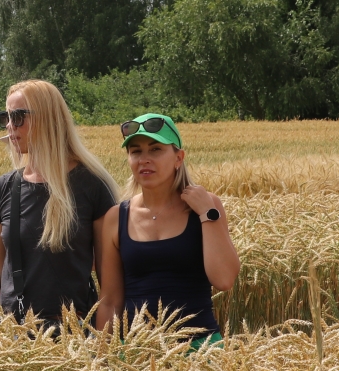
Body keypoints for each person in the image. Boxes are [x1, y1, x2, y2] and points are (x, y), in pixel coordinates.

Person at [0, 79, 119, 330]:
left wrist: (103, 342)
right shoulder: (5, 187)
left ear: (48, 119)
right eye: (6, 117)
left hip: (72, 332)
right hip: (11, 330)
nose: (9, 126)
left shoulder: (92, 186)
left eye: (18, 117)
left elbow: (110, 286)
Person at [95, 113, 239, 347]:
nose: (144, 159)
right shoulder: (116, 217)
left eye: (156, 150)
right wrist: (102, 357)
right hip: (135, 354)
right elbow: (110, 300)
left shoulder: (206, 206)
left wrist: (207, 213)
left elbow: (224, 280)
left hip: (200, 350)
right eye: (136, 152)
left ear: (178, 158)